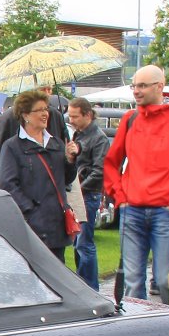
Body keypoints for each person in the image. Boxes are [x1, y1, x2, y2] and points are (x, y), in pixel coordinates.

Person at [102, 65, 169, 302]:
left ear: (159, 86)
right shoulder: (130, 119)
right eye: (134, 86)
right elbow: (112, 162)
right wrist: (120, 197)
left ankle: (166, 323)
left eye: (142, 86)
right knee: (132, 282)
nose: (136, 91)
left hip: (166, 212)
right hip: (133, 210)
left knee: (165, 281)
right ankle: (136, 323)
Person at [0, 89, 73, 257]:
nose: (45, 114)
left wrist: (70, 160)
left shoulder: (57, 144)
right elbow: (7, 184)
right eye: (39, 110)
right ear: (25, 115)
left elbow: (67, 179)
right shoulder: (12, 147)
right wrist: (30, 210)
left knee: (57, 270)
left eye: (46, 109)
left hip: (56, 225)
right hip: (32, 226)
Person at [66, 97, 109, 289]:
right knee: (78, 243)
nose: (71, 120)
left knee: (84, 243)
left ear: (88, 115)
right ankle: (83, 284)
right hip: (80, 194)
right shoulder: (79, 134)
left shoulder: (98, 138)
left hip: (88, 195)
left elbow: (99, 171)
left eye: (75, 116)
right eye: (70, 116)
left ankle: (90, 287)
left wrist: (79, 191)